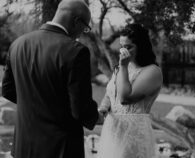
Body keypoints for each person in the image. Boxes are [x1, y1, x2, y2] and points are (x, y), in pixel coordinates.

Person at [1, 0, 99, 157]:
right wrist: (96, 117)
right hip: (60, 149)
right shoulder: (76, 51)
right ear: (76, 21)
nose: (82, 32)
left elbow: (7, 91)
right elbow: (80, 109)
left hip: (23, 147)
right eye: (85, 27)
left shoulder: (18, 44)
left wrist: (40, 106)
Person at [97, 23, 163, 158]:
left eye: (128, 47)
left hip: (134, 133)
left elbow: (125, 98)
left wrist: (123, 67)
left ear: (141, 47)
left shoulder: (152, 71)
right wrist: (103, 108)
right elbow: (110, 93)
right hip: (112, 130)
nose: (123, 51)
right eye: (121, 47)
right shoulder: (121, 69)